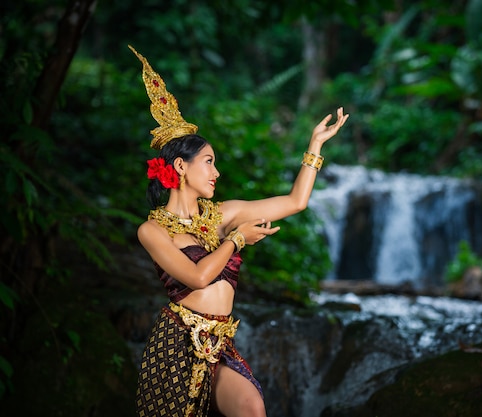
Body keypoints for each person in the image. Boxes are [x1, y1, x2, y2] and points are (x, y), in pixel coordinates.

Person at [128, 45, 349, 417]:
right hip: (176, 345)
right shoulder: (152, 231)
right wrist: (236, 239)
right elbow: (198, 278)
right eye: (209, 162)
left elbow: (296, 202)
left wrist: (315, 145)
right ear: (181, 167)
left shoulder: (222, 214)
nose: (216, 173)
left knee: (251, 408)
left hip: (219, 341)